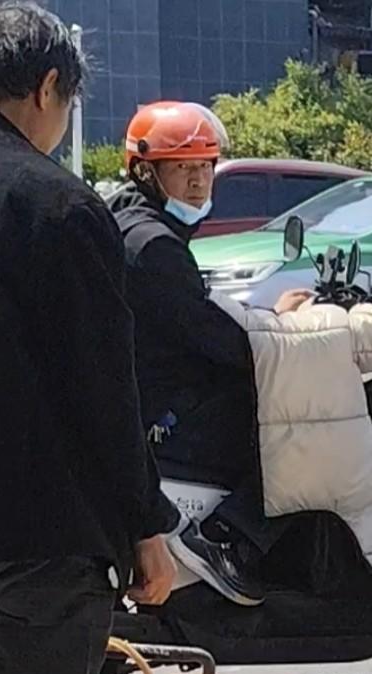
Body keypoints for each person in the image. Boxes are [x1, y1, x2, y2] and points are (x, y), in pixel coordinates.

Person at [0, 3, 176, 674]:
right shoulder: (59, 210)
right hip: (40, 550)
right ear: (45, 89)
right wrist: (146, 528)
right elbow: (105, 391)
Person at [110, 101, 311, 607]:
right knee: (295, 423)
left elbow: (190, 314)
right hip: (162, 411)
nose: (199, 182)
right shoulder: (153, 244)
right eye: (183, 169)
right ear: (146, 172)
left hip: (142, 391)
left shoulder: (129, 221)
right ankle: (228, 537)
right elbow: (218, 340)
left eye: (206, 167)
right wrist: (278, 331)